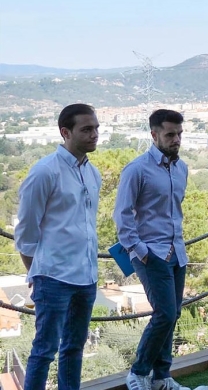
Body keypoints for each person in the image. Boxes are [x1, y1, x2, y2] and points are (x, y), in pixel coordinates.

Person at [15, 103, 101, 390]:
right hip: (53, 277)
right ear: (65, 132)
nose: (94, 135)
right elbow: (26, 231)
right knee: (44, 351)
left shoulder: (93, 174)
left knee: (74, 349)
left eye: (96, 128)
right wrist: (37, 273)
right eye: (86, 129)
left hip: (87, 277)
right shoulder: (44, 172)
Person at [115, 109, 192, 390]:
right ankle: (138, 372)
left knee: (173, 315)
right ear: (154, 134)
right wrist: (141, 250)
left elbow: (174, 213)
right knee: (165, 314)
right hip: (151, 254)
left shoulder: (182, 168)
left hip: (177, 252)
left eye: (179, 134)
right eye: (170, 134)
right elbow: (122, 215)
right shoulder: (137, 169)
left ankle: (162, 378)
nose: (176, 139)